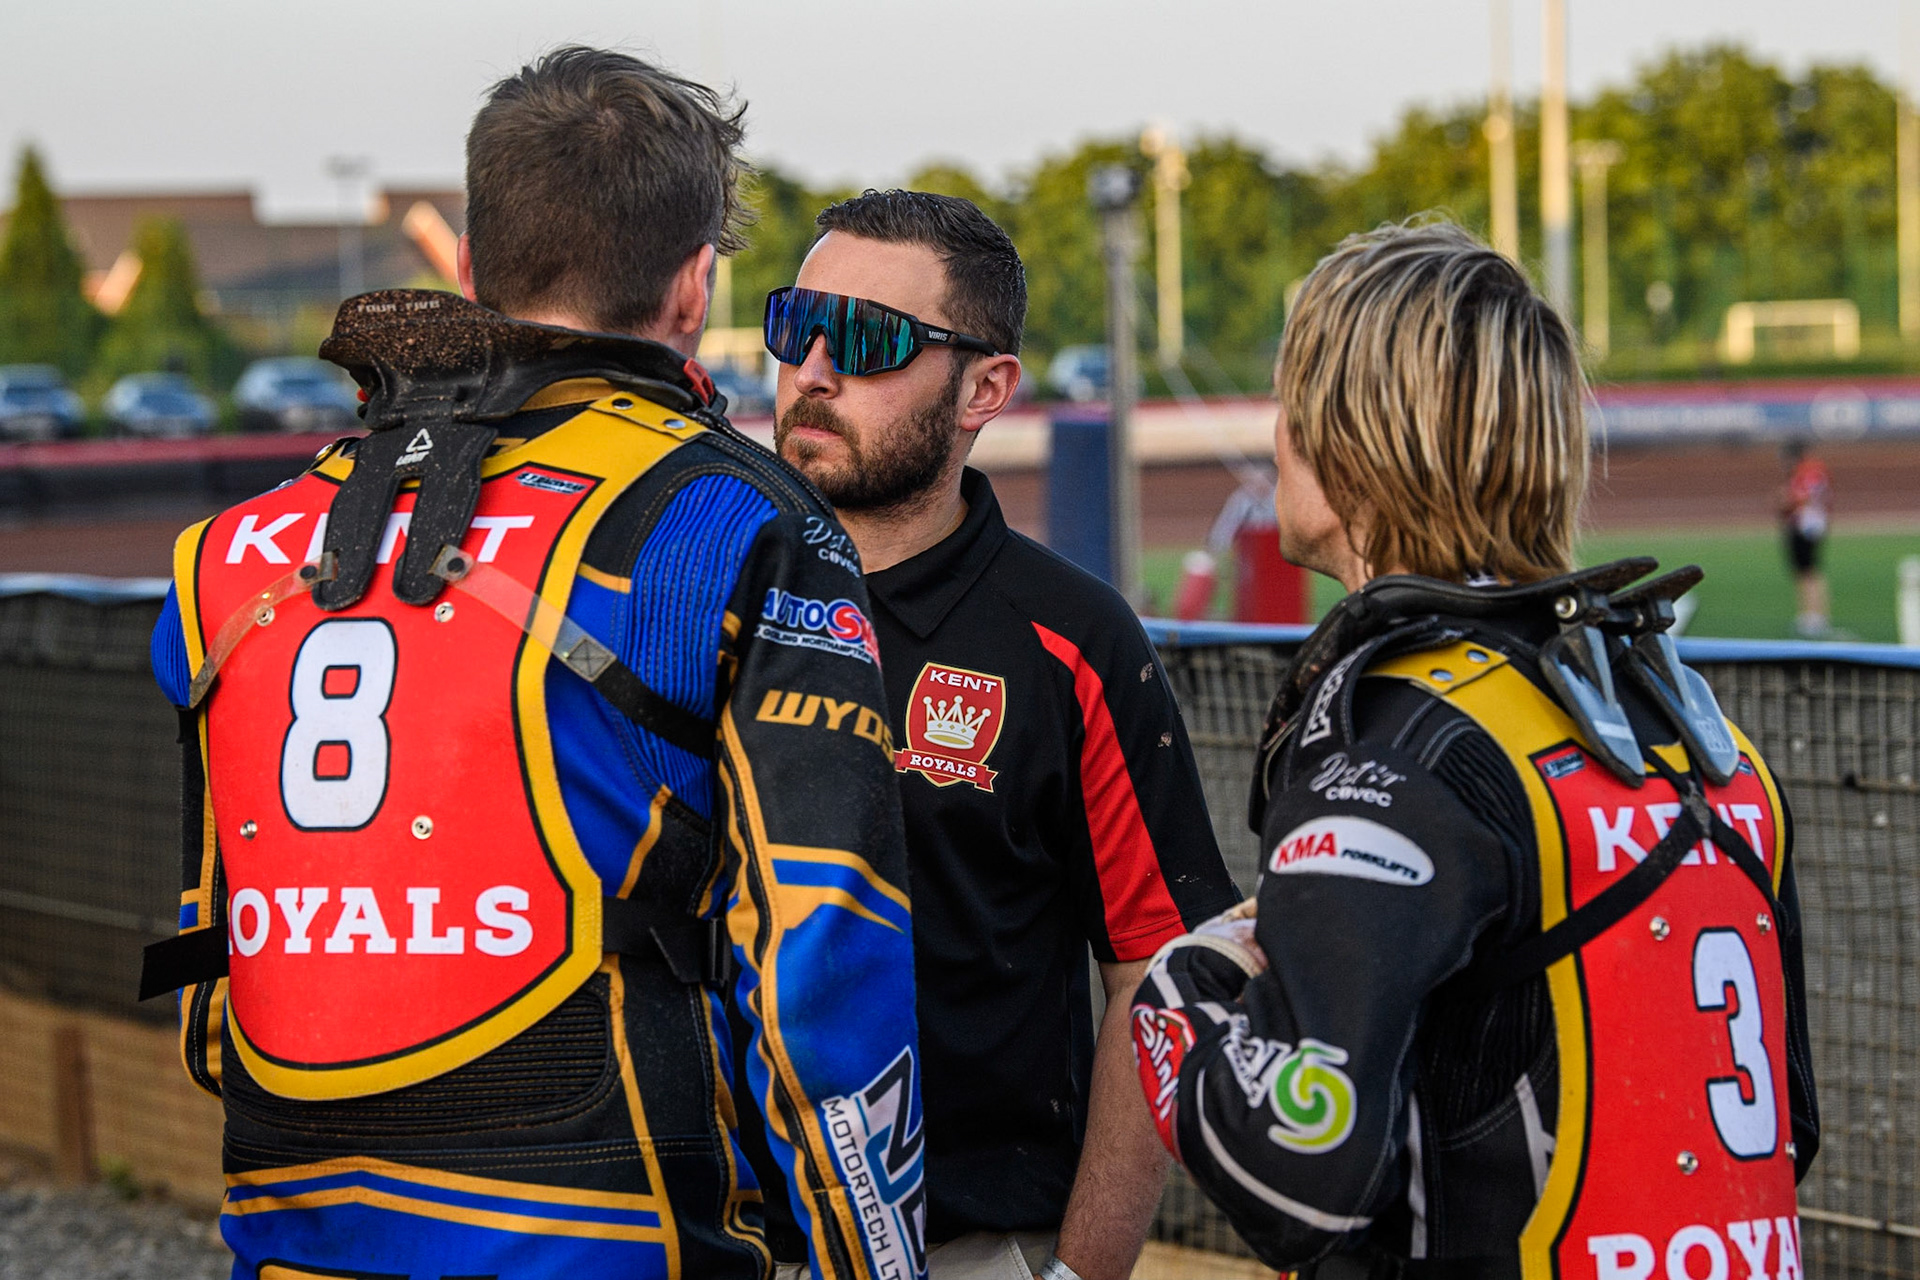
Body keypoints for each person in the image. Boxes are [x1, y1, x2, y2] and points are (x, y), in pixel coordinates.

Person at [140, 48, 924, 1280]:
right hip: (610, 1234)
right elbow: (824, 956)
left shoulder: (223, 556)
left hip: (290, 1231)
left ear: (465, 263)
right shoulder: (731, 521)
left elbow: (209, 988)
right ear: (692, 283)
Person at [1130, 222, 1819, 1279]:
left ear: (1350, 438)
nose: (1276, 440)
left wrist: (1182, 993)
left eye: (1291, 403)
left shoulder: (1400, 742)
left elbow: (1294, 1171)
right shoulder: (1691, 730)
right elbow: (1790, 1129)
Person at [760, 190, 1241, 1280]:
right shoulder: (701, 601)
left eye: (873, 339)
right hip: (721, 1237)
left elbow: (1157, 970)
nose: (815, 371)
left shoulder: (1071, 639)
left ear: (986, 388)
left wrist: (1084, 1269)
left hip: (974, 1246)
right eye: (796, 326)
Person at [1780, 441, 1832, 637]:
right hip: (1811, 524)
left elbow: (1802, 497)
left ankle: (1815, 616)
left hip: (1806, 525)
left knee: (1808, 572)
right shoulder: (1812, 470)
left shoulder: (1807, 471)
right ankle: (1810, 614)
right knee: (1805, 572)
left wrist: (1784, 500)